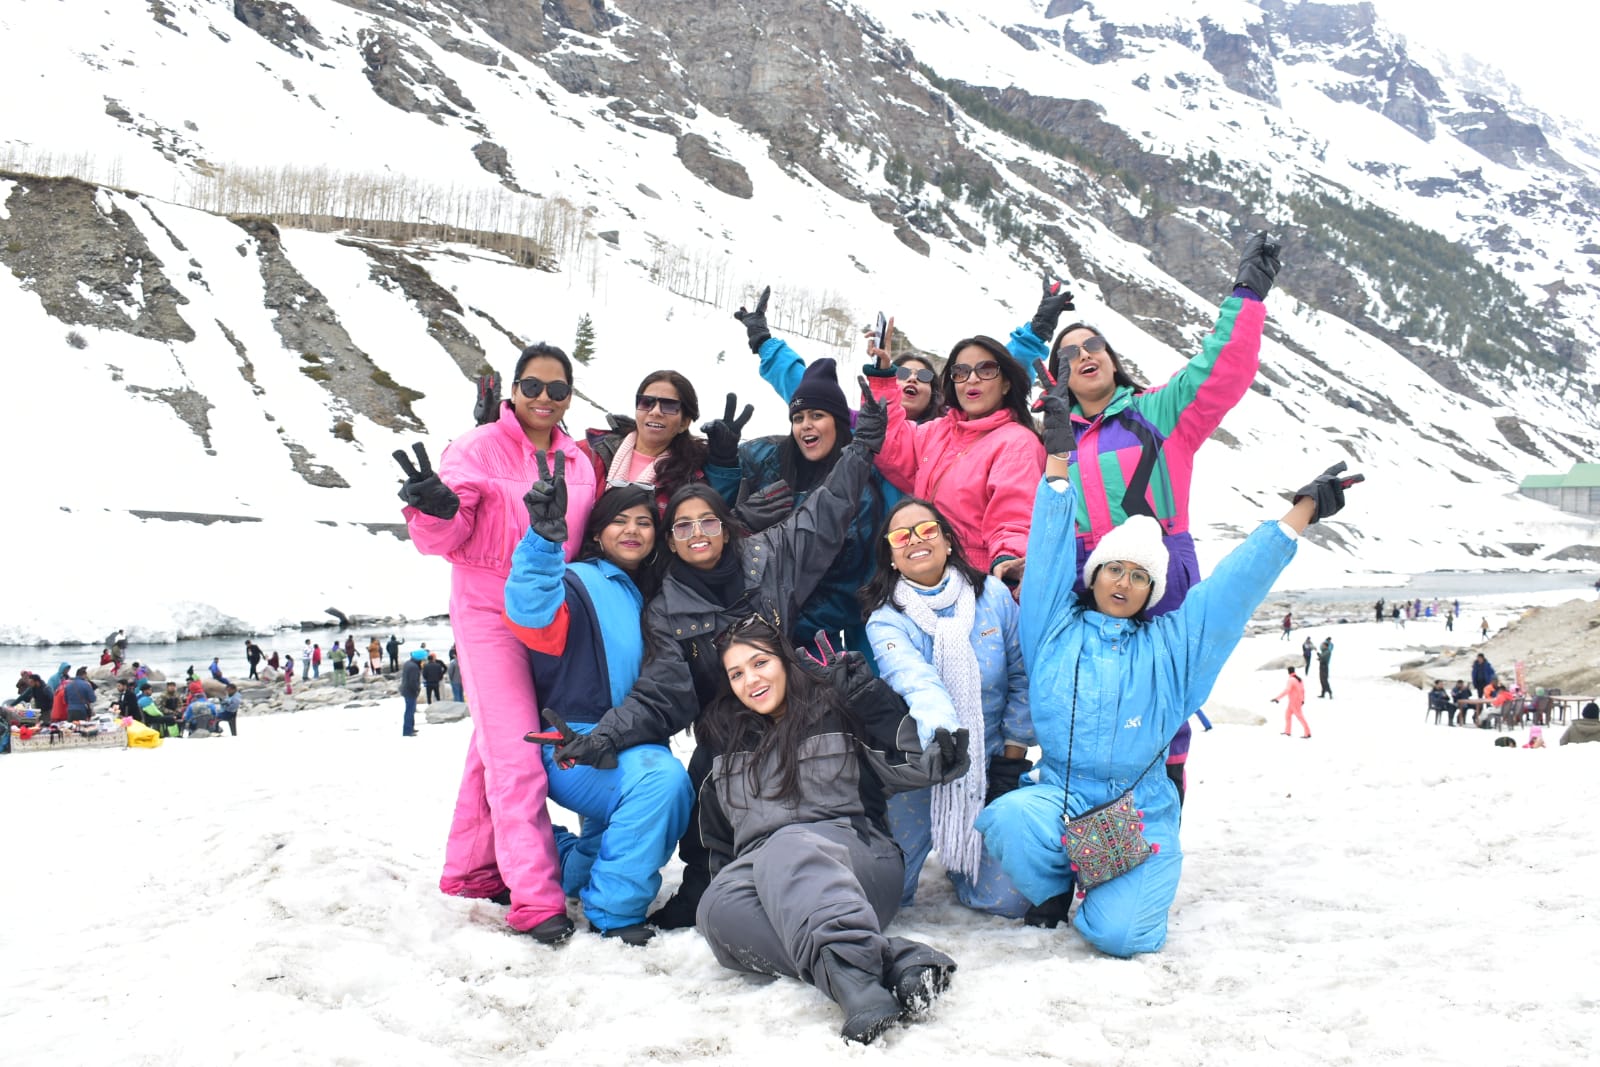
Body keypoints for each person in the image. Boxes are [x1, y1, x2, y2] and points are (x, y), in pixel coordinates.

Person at [976, 429, 1361, 957]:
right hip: (1061, 796)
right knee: (1008, 818)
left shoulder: (1174, 649)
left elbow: (1233, 589)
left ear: (1152, 591)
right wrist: (1058, 465)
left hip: (1139, 811)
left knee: (1121, 936)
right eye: (1114, 569)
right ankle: (1055, 887)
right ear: (1095, 575)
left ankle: (1109, 885)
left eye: (1139, 576)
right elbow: (1046, 551)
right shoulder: (1053, 628)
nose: (1123, 582)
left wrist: (1302, 512)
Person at [551, 384, 888, 931]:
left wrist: (861, 449)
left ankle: (867, 854)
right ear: (670, 541)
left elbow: (826, 512)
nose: (697, 533)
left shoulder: (770, 555)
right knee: (705, 781)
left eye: (707, 520)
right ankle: (702, 883)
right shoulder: (666, 610)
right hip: (726, 723)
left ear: (726, 527)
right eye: (682, 526)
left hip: (794, 701)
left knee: (843, 741)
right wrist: (606, 736)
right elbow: (660, 694)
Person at [1009, 235, 1279, 806]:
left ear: (1112, 359)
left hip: (1161, 573)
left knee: (1164, 694)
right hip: (1078, 579)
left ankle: (1157, 822)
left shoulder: (1157, 412)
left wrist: (1247, 295)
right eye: (1067, 353)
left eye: (1093, 345)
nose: (1083, 355)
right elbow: (984, 397)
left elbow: (1221, 368)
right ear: (1054, 376)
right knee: (1081, 697)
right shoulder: (1045, 438)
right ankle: (1076, 820)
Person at [398, 341, 600, 945]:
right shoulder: (475, 447)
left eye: (557, 389)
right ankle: (536, 900)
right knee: (516, 755)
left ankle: (474, 869)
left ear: (570, 397)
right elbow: (441, 539)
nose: (544, 398)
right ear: (513, 391)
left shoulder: (579, 462)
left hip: (550, 613)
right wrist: (436, 511)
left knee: (491, 743)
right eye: (532, 386)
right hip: (488, 610)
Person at [694, 617, 963, 1044]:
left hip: (857, 859)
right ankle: (891, 961)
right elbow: (715, 839)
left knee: (787, 844)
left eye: (760, 663)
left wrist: (868, 697)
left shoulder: (837, 707)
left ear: (785, 660)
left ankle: (857, 990)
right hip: (764, 872)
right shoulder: (719, 740)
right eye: (737, 673)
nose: (751, 680)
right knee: (716, 910)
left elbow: (918, 765)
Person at [504, 473, 692, 945]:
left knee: (600, 849)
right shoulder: (577, 580)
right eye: (619, 521)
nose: (632, 530)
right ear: (597, 531)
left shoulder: (646, 591)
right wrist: (542, 544)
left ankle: (564, 860)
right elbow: (532, 612)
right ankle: (614, 911)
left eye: (644, 523)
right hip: (575, 743)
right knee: (663, 783)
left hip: (628, 743)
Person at [861, 497, 1032, 916]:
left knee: (1007, 900)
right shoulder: (886, 618)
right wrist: (945, 736)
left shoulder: (993, 597)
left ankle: (966, 855)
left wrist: (1010, 760)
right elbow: (916, 680)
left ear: (948, 540)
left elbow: (1021, 677)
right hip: (921, 763)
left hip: (989, 762)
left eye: (926, 530)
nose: (915, 541)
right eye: (901, 537)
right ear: (891, 557)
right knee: (882, 898)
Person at [723, 325, 899, 661]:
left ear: (838, 424)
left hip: (813, 640)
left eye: (818, 415)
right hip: (743, 624)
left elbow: (853, 587)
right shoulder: (765, 460)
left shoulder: (862, 493)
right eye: (798, 417)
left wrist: (787, 626)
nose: (806, 424)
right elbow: (712, 523)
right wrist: (722, 464)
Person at [866, 334, 1045, 585]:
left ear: (1006, 384)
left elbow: (1015, 516)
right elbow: (890, 442)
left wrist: (1008, 558)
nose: (972, 378)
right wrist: (883, 377)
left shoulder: (1017, 442)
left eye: (986, 370)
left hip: (977, 581)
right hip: (929, 576)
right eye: (961, 372)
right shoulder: (939, 431)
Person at [583, 369, 737, 513]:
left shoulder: (693, 476)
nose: (655, 412)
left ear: (684, 423)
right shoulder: (590, 453)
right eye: (646, 402)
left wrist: (723, 462)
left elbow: (714, 514)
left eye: (669, 406)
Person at [1273, 666, 1310, 737]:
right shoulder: (1299, 679)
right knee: (1287, 715)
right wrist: (1302, 700)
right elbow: (1303, 690)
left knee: (1300, 717)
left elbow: (1287, 690)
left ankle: (1308, 733)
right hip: (1295, 701)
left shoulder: (1291, 680)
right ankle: (1287, 731)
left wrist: (1277, 698)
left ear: (1288, 672)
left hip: (1294, 702)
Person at [400, 650, 423, 736]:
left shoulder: (408, 663)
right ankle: (407, 730)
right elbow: (413, 681)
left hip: (406, 689)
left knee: (410, 710)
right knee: (410, 710)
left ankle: (410, 727)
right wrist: (417, 690)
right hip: (410, 691)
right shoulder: (414, 667)